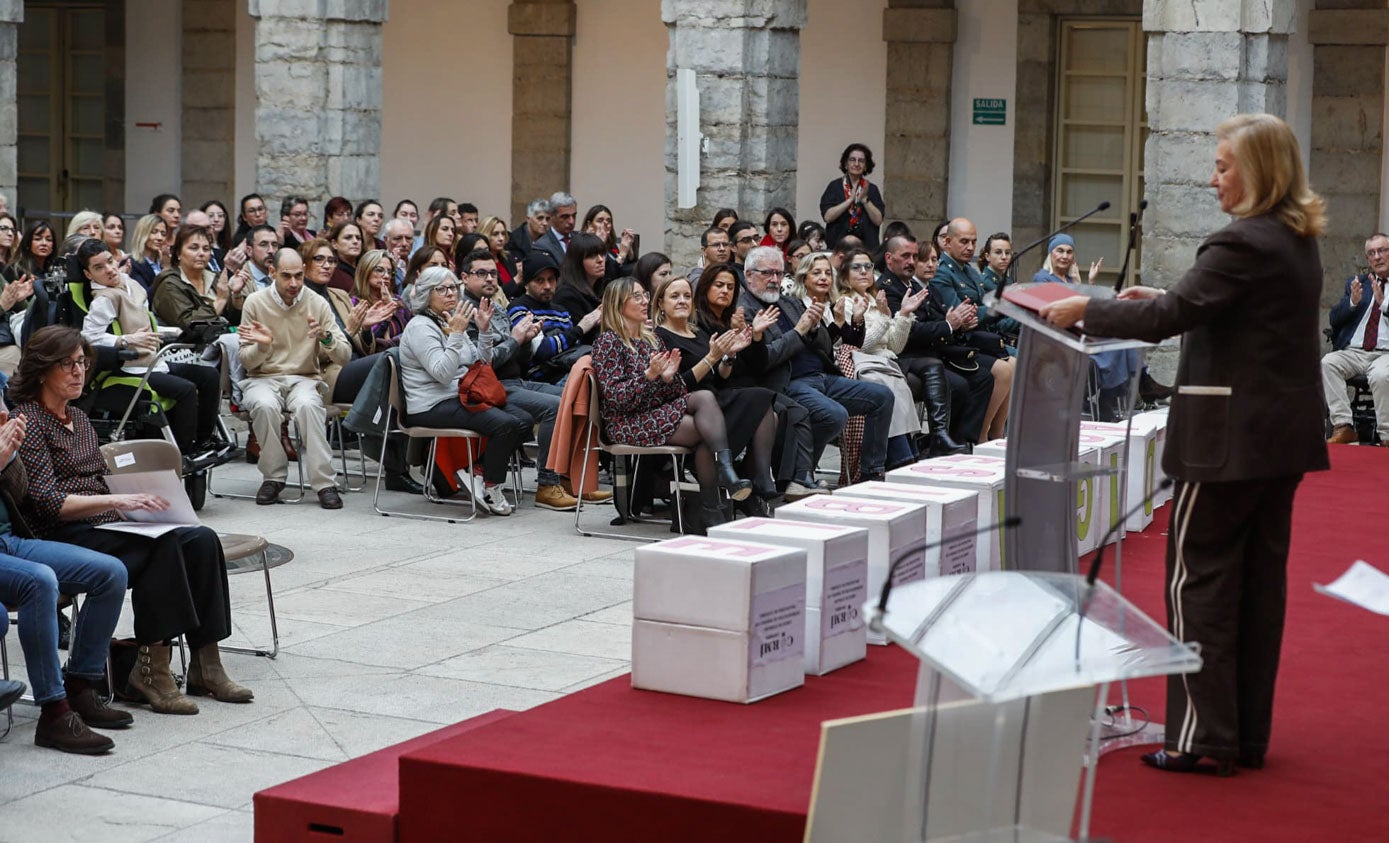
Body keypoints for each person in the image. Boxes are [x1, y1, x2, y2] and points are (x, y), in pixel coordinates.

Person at [1040, 113, 1329, 776]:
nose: (1212, 177)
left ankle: (1199, 737)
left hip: (1223, 444)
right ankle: (1241, 735)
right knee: (1255, 590)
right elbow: (1209, 308)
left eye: (1223, 165)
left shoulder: (1241, 241)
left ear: (1256, 171)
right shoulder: (1292, 238)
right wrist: (1160, 296)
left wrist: (1082, 306)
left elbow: (1169, 318)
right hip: (1278, 442)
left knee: (1196, 585)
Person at [14, 325, 252, 716]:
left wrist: (139, 500)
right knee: (165, 547)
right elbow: (45, 502)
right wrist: (115, 498)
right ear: (41, 370)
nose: (78, 372)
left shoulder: (78, 416)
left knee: (200, 537)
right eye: (67, 364)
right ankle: (152, 670)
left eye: (82, 363)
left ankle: (206, 664)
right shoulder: (30, 420)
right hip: (62, 533)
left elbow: (97, 478)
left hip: (107, 522)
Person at [0, 408, 130, 753]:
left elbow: (20, 491)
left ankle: (81, 686)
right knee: (39, 581)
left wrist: (10, 455)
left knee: (111, 572)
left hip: (10, 540)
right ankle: (54, 712)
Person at [592, 276, 752, 527]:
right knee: (703, 429)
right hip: (625, 423)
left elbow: (676, 391)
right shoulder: (608, 342)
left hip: (653, 413)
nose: (645, 300)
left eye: (645, 294)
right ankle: (717, 496)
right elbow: (616, 399)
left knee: (703, 398)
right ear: (617, 303)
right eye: (637, 296)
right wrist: (650, 376)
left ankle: (717, 495)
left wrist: (666, 379)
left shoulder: (650, 340)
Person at [739, 246, 895, 482]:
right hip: (788, 382)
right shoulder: (745, 310)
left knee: (882, 396)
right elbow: (766, 359)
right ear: (749, 275)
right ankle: (797, 474)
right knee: (833, 415)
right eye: (767, 273)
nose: (774, 280)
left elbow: (823, 344)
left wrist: (818, 326)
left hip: (822, 376)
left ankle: (870, 473)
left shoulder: (788, 302)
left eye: (779, 274)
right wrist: (800, 330)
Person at [73, 239, 228, 465]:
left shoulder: (130, 284)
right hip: (131, 368)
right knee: (185, 390)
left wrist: (172, 332)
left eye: (109, 262)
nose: (108, 269)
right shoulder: (104, 299)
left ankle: (205, 440)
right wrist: (125, 340)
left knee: (209, 376)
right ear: (88, 274)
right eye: (99, 267)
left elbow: (145, 324)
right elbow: (88, 337)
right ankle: (184, 452)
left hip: (154, 360)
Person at [398, 266, 530, 514]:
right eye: (442, 289)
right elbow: (442, 373)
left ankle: (477, 472)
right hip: (430, 405)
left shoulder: (447, 319)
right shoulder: (420, 327)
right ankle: (492, 486)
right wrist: (457, 333)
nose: (451, 293)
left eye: (453, 287)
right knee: (504, 425)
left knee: (523, 419)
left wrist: (483, 331)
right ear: (427, 294)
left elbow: (480, 363)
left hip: (459, 395)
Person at [456, 248, 575, 510]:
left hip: (513, 381)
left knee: (570, 396)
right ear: (465, 277)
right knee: (553, 407)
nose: (489, 278)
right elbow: (481, 362)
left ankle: (569, 478)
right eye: (481, 273)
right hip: (486, 387)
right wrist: (515, 340)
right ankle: (546, 483)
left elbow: (516, 358)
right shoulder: (463, 312)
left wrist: (526, 340)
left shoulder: (498, 309)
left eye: (493, 273)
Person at [652, 273, 778, 511]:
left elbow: (718, 378)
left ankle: (757, 477)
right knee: (760, 404)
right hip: (686, 404)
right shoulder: (659, 337)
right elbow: (678, 385)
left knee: (766, 404)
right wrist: (712, 357)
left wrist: (728, 356)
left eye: (687, 296)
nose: (682, 301)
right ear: (661, 303)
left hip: (713, 398)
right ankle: (738, 484)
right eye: (674, 296)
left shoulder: (697, 332)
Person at [238, 247, 349, 509]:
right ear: (272, 272)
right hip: (262, 377)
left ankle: (324, 483)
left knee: (309, 406)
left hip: (304, 377)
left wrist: (326, 337)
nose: (294, 283)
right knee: (264, 405)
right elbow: (245, 359)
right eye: (286, 276)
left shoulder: (317, 303)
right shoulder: (255, 302)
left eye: (299, 276)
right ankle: (273, 478)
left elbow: (344, 356)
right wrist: (263, 346)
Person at [694, 263, 818, 498]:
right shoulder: (700, 323)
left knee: (796, 411)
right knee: (771, 407)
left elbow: (758, 362)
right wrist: (729, 352)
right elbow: (714, 375)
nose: (725, 291)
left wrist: (757, 335)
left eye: (730, 287)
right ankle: (762, 477)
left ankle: (791, 479)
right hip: (722, 392)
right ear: (705, 288)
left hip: (745, 387)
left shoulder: (732, 319)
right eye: (719, 285)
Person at [880, 237, 989, 453]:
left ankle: (955, 440)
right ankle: (939, 441)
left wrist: (958, 324)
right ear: (889, 259)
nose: (911, 261)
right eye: (906, 256)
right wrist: (949, 324)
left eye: (913, 256)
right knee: (958, 385)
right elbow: (912, 333)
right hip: (906, 356)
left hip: (930, 354)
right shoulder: (888, 289)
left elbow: (936, 324)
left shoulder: (912, 286)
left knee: (981, 377)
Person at [1033, 233, 1138, 421]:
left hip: (1081, 330)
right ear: (1050, 254)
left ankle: (1108, 398)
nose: (1065, 256)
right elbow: (1063, 310)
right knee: (1113, 340)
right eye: (1060, 251)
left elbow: (1085, 307)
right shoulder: (1042, 278)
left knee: (1121, 338)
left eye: (1069, 252)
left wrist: (1086, 283)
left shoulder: (1071, 279)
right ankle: (1122, 393)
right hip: (1062, 335)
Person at [837, 247, 925, 468]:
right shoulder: (845, 302)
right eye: (856, 267)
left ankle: (906, 456)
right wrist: (886, 320)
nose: (864, 271)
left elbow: (895, 345)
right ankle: (901, 460)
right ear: (845, 274)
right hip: (859, 365)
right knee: (888, 389)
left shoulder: (876, 301)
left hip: (884, 364)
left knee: (900, 387)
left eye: (868, 266)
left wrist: (903, 315)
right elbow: (857, 344)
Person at [1324, 233, 1389, 445]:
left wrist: (1384, 303)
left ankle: (1386, 435)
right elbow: (1334, 319)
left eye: (1382, 251)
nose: (1377, 257)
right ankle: (1343, 427)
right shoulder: (1358, 283)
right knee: (1328, 363)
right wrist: (1352, 302)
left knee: (1381, 375)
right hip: (1355, 352)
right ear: (1368, 259)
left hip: (1385, 355)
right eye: (1372, 253)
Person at [508, 250, 598, 384]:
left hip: (568, 370)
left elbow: (573, 348)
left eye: (551, 279)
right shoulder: (518, 309)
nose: (547, 286)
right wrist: (580, 329)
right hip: (540, 379)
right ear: (526, 284)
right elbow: (541, 350)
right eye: (540, 280)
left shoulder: (561, 311)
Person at [151, 223, 245, 328]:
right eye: (194, 248)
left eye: (206, 249)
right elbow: (189, 325)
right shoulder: (169, 284)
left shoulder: (216, 278)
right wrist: (220, 300)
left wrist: (236, 295)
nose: (201, 253)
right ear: (178, 253)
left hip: (224, 339)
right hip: (188, 343)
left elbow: (236, 320)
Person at [821, 143, 885, 249]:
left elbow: (878, 220)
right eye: (852, 160)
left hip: (866, 248)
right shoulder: (834, 186)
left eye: (861, 161)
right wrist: (850, 200)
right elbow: (828, 217)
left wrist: (864, 199)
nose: (856, 164)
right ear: (846, 164)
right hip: (838, 247)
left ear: (865, 166)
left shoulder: (872, 189)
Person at [553, 232, 608, 345]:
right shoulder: (566, 296)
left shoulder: (602, 290)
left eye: (602, 254)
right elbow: (581, 339)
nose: (600, 260)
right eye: (592, 256)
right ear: (577, 261)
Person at [581, 204, 636, 273]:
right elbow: (607, 275)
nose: (605, 224)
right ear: (589, 224)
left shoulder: (612, 246)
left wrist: (628, 251)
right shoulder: (583, 244)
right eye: (600, 221)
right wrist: (622, 254)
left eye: (608, 221)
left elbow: (623, 268)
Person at [479, 215, 521, 296]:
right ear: (485, 235)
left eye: (503, 234)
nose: (501, 238)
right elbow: (494, 294)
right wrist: (517, 279)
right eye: (495, 234)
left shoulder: (508, 257)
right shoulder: (480, 263)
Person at [128, 214, 169, 293]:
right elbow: (145, 297)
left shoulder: (163, 262)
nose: (160, 238)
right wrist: (166, 271)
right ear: (142, 234)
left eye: (163, 234)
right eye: (154, 232)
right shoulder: (132, 263)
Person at [533, 192, 578, 259]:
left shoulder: (579, 239)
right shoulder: (542, 246)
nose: (571, 221)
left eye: (574, 216)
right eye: (565, 217)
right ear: (551, 216)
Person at [326, 220, 365, 293]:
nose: (355, 241)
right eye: (348, 237)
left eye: (358, 238)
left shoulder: (365, 270)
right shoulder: (331, 273)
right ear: (334, 244)